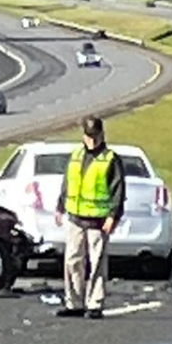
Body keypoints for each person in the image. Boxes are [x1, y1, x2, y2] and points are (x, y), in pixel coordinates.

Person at [53, 116, 126, 320]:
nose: (92, 141)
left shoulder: (110, 159)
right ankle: (74, 303)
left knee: (97, 263)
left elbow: (118, 190)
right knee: (72, 261)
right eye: (88, 136)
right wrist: (60, 206)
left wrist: (113, 216)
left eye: (95, 136)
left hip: (98, 221)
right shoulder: (76, 156)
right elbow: (67, 183)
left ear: (102, 135)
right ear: (83, 136)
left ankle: (94, 304)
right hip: (76, 218)